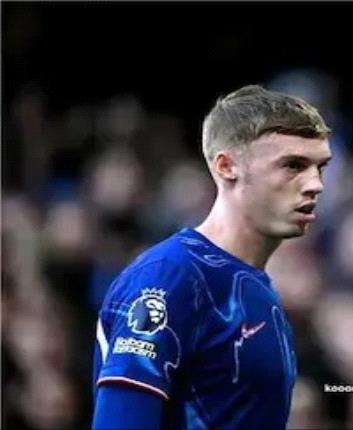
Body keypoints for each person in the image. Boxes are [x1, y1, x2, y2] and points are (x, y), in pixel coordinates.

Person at [91, 85, 332, 429]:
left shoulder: (259, 291)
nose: (315, 184)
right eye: (293, 165)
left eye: (320, 167)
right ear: (227, 166)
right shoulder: (170, 276)